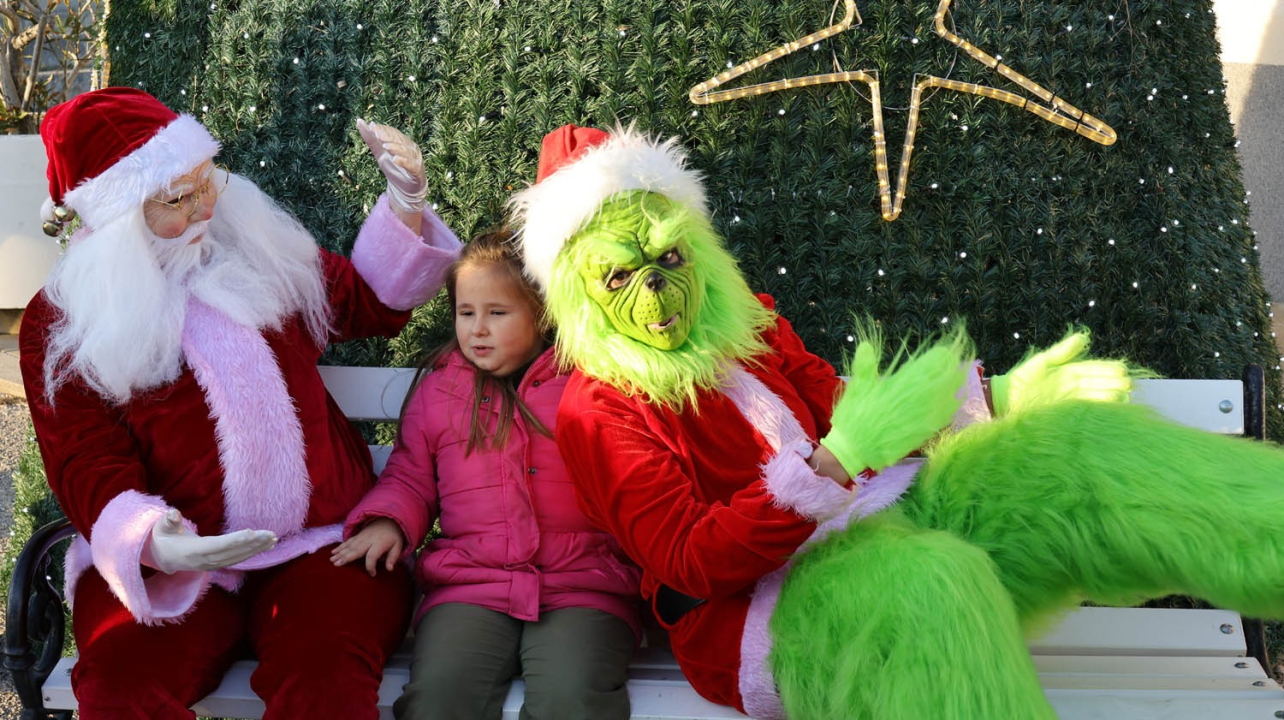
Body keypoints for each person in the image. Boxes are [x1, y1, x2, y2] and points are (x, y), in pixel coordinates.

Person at [506, 123, 1284, 720]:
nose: (657, 289)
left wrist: (1000, 399)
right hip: (767, 612)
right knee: (931, 587)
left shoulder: (748, 323)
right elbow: (687, 560)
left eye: (670, 259)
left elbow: (843, 404)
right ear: (579, 291)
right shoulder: (599, 410)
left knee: (1071, 446)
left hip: (884, 518)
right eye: (619, 274)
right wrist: (829, 469)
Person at [18, 86, 462, 719]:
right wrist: (149, 540)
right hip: (178, 559)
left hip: (323, 543)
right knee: (121, 687)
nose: (205, 206)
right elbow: (82, 455)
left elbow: (369, 302)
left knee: (324, 682)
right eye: (178, 197)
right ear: (116, 217)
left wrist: (406, 205)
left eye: (206, 181)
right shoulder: (65, 318)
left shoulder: (257, 250)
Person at [330, 230, 640, 720]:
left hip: (582, 585)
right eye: (466, 312)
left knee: (573, 700)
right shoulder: (440, 394)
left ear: (541, 313)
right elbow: (410, 477)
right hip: (471, 586)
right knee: (439, 700)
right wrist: (389, 521)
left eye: (497, 314)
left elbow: (633, 478)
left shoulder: (589, 387)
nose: (477, 329)